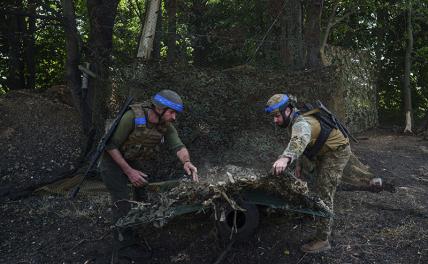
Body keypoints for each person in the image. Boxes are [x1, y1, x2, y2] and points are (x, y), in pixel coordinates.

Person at [101, 89, 198, 261]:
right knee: (121, 200)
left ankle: (139, 227)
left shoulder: (165, 125)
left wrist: (187, 162)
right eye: (172, 112)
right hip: (112, 160)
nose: (174, 117)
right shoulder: (132, 117)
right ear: (159, 109)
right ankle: (123, 245)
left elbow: (178, 147)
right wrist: (129, 172)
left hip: (130, 159)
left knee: (143, 189)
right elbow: (110, 145)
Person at [265, 93, 351, 254]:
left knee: (324, 192)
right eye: (273, 117)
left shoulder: (302, 123)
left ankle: (322, 239)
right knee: (309, 180)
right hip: (319, 151)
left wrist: (285, 158)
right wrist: (298, 165)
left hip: (336, 152)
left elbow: (300, 139)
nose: (275, 120)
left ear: (288, 110)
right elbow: (301, 142)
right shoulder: (293, 121)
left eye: (277, 116)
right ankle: (314, 213)